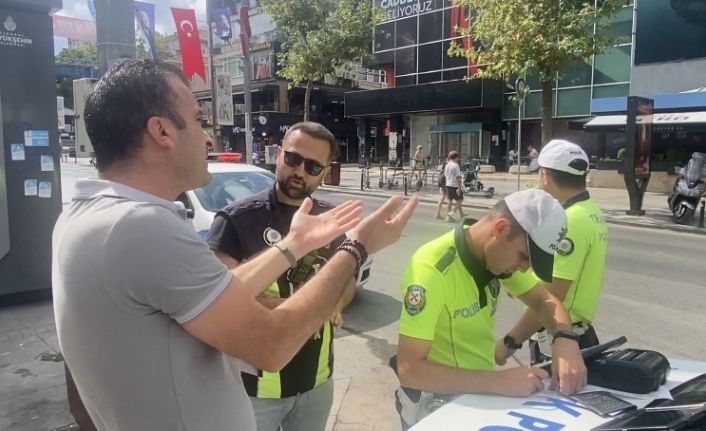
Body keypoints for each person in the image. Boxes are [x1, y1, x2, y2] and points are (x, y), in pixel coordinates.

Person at [52, 60, 418, 431]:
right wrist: (357, 247)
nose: (209, 137)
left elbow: (218, 297)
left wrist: (295, 243)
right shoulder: (141, 227)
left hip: (312, 383)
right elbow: (271, 345)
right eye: (198, 120)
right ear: (161, 131)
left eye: (313, 166)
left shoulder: (85, 215)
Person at [394, 189, 587, 429]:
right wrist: (498, 381)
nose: (524, 269)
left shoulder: (494, 259)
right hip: (438, 408)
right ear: (501, 229)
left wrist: (565, 338)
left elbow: (544, 301)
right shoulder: (430, 270)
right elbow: (410, 370)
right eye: (524, 257)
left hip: (482, 396)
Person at [206, 122, 356, 431]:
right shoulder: (235, 221)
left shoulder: (331, 220)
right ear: (278, 156)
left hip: (317, 382)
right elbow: (221, 302)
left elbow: (347, 280)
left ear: (325, 172)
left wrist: (337, 302)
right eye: (293, 159)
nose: (300, 171)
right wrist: (314, 304)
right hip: (254, 391)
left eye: (313, 166)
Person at [495, 139, 608, 365]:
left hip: (561, 339)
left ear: (545, 175)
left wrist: (510, 342)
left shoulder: (569, 221)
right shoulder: (591, 212)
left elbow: (553, 295)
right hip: (576, 334)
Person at [443, 151, 465, 222]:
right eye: (458, 158)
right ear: (455, 157)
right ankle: (452, 213)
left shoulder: (447, 165)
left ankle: (450, 215)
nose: (458, 159)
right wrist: (459, 187)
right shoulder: (456, 165)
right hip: (455, 184)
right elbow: (458, 177)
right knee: (460, 199)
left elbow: (445, 175)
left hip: (448, 184)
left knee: (449, 200)